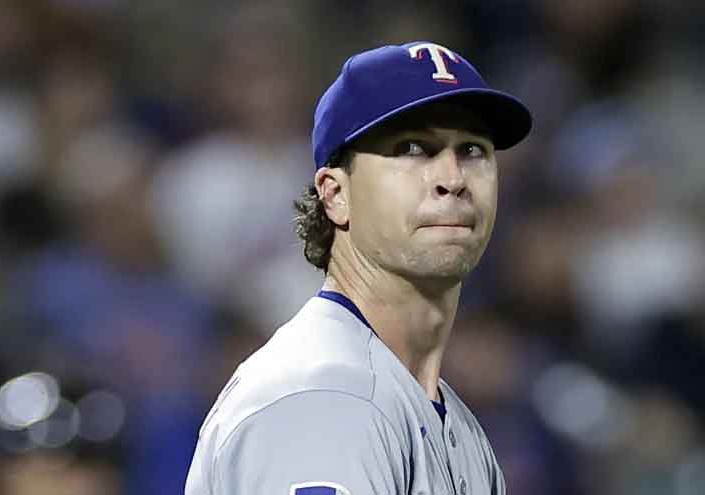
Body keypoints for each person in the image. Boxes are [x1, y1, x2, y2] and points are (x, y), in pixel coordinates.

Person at [185, 41, 532, 495]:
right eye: (412, 148)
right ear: (335, 194)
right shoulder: (324, 398)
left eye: (472, 150)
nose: (452, 179)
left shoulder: (453, 423)